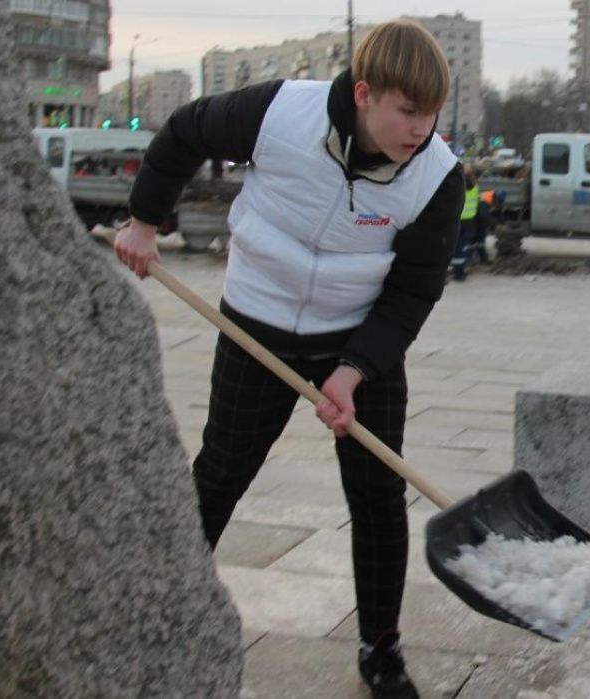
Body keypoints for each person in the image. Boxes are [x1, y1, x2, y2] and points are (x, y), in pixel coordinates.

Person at [113, 20, 464, 699]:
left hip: (359, 333)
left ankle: (381, 648)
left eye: (431, 114)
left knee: (378, 495)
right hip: (257, 320)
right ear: (363, 93)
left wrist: (354, 370)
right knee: (221, 471)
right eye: (407, 111)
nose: (421, 130)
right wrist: (144, 220)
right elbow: (184, 132)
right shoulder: (279, 112)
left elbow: (414, 291)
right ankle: (154, 614)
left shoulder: (438, 178)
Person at [452, 167, 479, 280]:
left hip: (458, 220)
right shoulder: (475, 187)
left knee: (457, 246)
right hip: (470, 221)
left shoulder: (457, 186)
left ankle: (458, 272)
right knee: (465, 245)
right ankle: (464, 267)